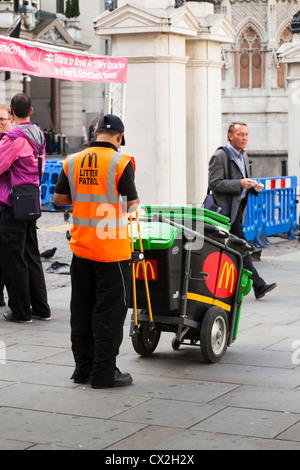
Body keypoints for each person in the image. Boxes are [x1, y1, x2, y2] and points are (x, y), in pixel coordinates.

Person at [54, 114, 140, 388]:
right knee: (110, 313)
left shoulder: (73, 160)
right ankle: (104, 373)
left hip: (81, 248)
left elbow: (59, 200)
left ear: (96, 132)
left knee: (81, 309)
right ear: (119, 138)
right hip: (112, 251)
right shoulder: (120, 162)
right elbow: (132, 204)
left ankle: (82, 369)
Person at [208, 121, 277, 299]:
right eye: (240, 134)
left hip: (237, 211)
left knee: (233, 249)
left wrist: (253, 187)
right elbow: (214, 184)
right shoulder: (220, 156)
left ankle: (232, 286)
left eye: (246, 134)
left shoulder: (244, 156)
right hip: (223, 212)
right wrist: (239, 184)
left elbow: (243, 184)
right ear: (230, 136)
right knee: (242, 247)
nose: (244, 138)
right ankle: (258, 285)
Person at [0, 93, 51, 322]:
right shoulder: (38, 135)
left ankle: (21, 311)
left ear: (11, 112)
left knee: (13, 257)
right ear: (31, 111)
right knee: (31, 255)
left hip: (12, 203)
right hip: (31, 200)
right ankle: (41, 308)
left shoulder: (13, 138)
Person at [0, 106, 14, 306]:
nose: (0, 123)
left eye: (3, 119)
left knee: (6, 254)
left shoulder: (10, 140)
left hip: (6, 203)